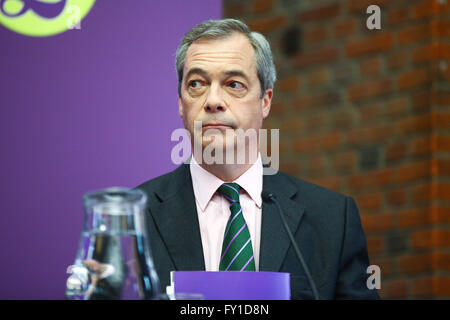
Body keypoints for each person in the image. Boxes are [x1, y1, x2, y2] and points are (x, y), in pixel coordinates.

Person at [136, 19, 379, 299]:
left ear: (265, 101)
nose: (213, 100)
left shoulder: (332, 219)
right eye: (197, 84)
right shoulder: (135, 220)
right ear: (181, 102)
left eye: (234, 84)